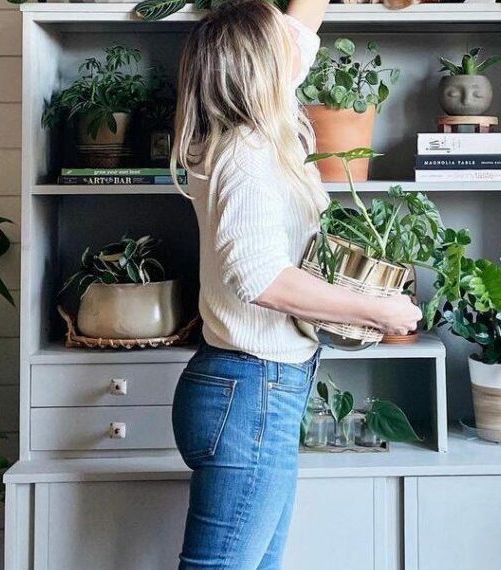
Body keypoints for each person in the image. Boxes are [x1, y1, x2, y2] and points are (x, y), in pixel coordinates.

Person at [168, 0, 422, 567]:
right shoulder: (248, 154)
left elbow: (303, 24)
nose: (294, 44)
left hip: (254, 389)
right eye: (279, 40)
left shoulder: (257, 131)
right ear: (262, 66)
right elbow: (259, 277)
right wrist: (376, 311)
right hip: (250, 391)